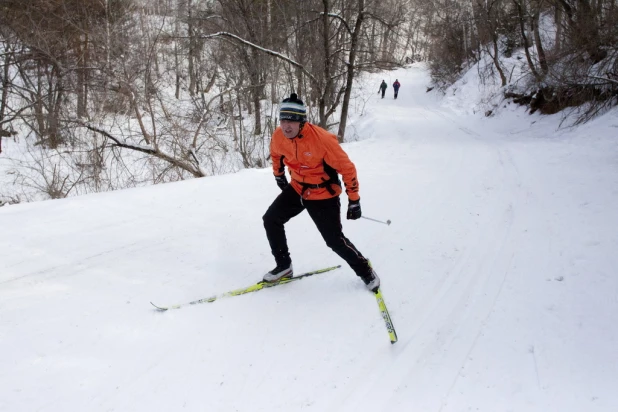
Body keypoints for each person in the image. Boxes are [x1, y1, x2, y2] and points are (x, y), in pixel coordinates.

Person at [262, 93, 380, 292]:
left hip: (322, 193)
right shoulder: (278, 135)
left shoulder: (322, 140)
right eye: (283, 120)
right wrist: (278, 174)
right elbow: (275, 153)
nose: (286, 125)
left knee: (334, 241)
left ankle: (365, 270)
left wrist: (354, 200)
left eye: (292, 121)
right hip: (298, 186)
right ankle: (284, 266)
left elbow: (347, 169)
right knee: (271, 219)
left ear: (302, 122)